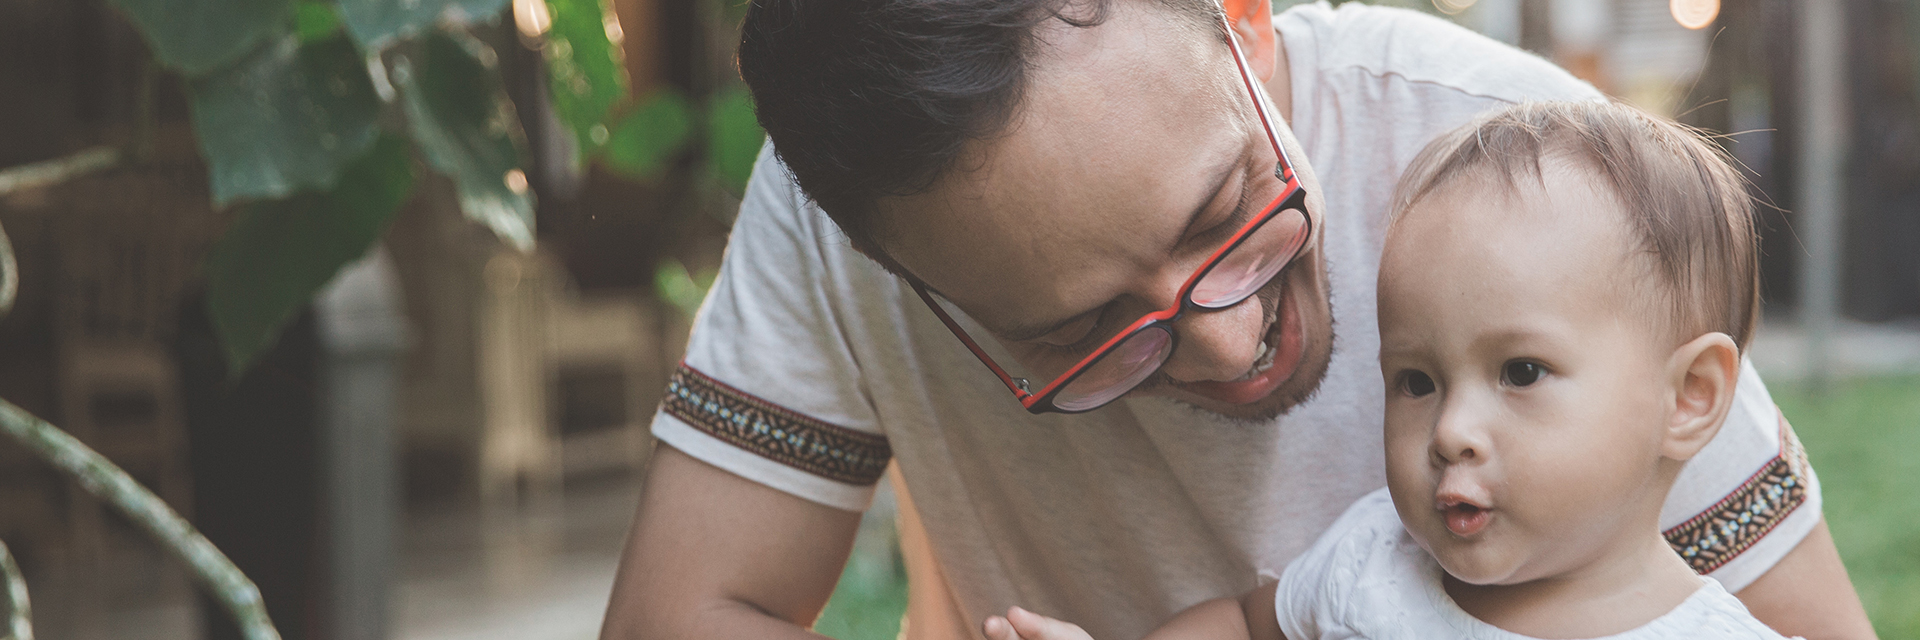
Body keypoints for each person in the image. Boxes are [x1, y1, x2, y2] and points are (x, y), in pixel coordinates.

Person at [598, 1, 1876, 639]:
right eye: (1086, 328)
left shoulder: (1545, 190)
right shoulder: (838, 214)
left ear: (1247, 24)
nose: (1225, 344)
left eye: (1228, 208)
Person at [977, 99, 1802, 640]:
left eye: (1521, 371)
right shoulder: (1374, 559)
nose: (1450, 431)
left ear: (1688, 398)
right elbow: (1241, 625)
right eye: (1417, 381)